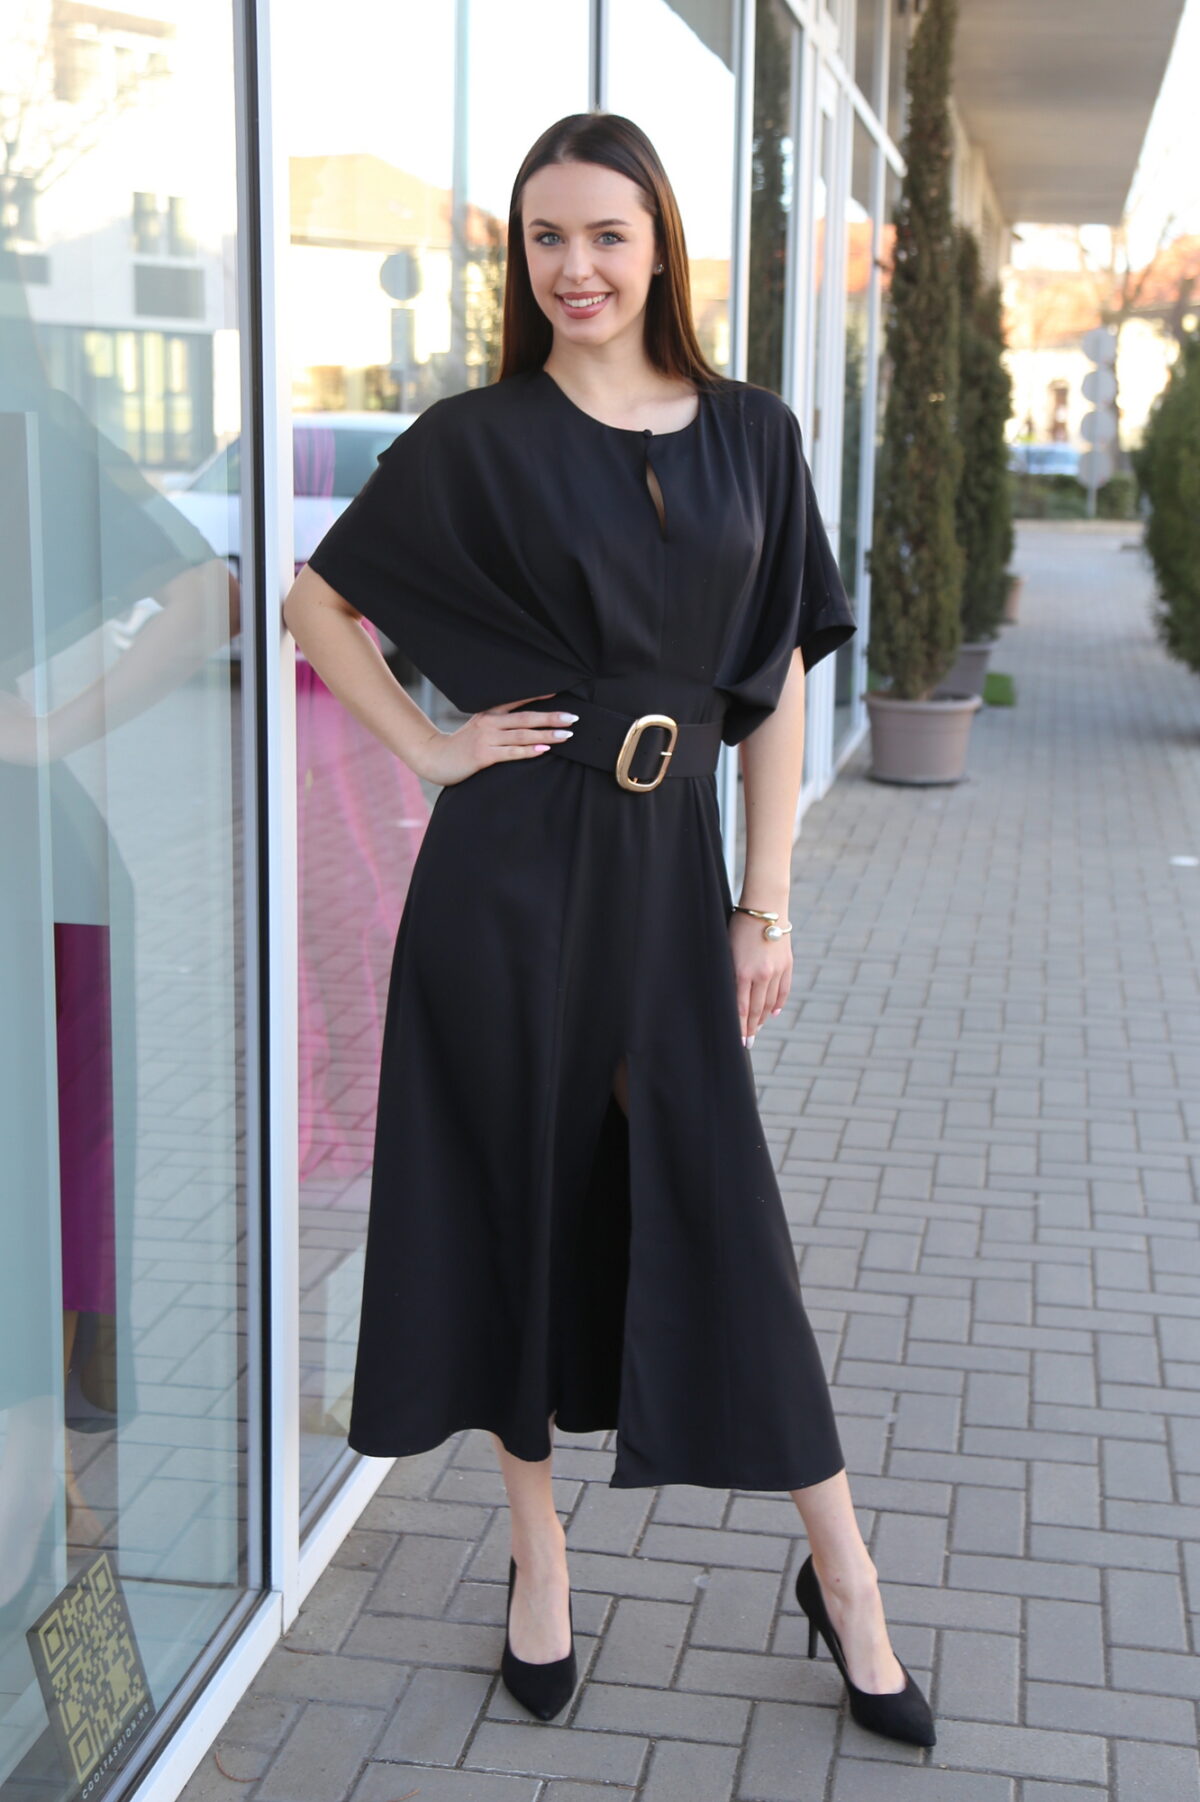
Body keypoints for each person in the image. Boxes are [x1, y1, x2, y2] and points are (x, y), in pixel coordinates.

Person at [282, 111, 935, 1749]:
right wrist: (434, 747)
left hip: (666, 875)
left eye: (605, 234)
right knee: (517, 1199)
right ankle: (539, 1557)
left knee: (726, 1210)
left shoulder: (754, 434)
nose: (574, 267)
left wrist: (764, 901)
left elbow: (775, 685)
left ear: (659, 248)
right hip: (506, 879)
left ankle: (845, 1575)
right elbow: (313, 601)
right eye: (545, 238)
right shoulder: (478, 438)